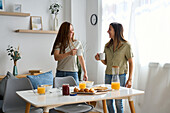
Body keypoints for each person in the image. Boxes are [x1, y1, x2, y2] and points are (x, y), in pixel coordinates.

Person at [95, 22, 133, 113]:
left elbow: (131, 63)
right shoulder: (107, 46)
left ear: (116, 31)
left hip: (120, 76)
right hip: (108, 75)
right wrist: (99, 59)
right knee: (108, 101)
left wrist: (130, 79)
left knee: (118, 102)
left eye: (110, 29)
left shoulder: (126, 45)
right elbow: (106, 62)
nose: (107, 31)